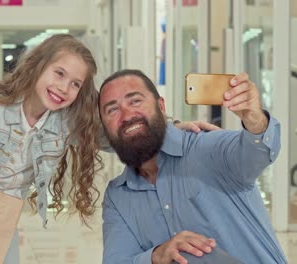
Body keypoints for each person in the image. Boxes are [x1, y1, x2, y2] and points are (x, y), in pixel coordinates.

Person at [0, 34, 215, 263]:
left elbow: (119, 137)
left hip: (2, 215)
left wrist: (172, 128)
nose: (64, 87)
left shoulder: (65, 124)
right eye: (59, 73)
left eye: (75, 83)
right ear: (37, 66)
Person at [99, 69, 287, 264]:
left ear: (161, 106)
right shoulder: (118, 196)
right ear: (105, 128)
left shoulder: (205, 148)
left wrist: (254, 119)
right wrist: (156, 256)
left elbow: (255, 153)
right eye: (112, 110)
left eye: (135, 101)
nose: (127, 115)